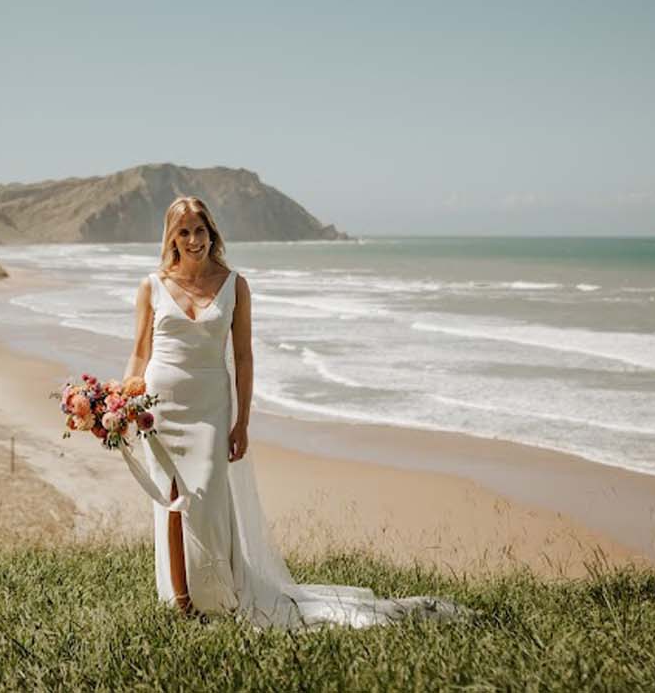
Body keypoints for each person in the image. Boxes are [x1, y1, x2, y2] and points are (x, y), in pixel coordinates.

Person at [121, 195, 468, 629]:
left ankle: (218, 596)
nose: (194, 240)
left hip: (210, 408)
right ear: (172, 237)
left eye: (201, 230)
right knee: (170, 503)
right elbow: (139, 353)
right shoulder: (152, 285)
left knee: (207, 500)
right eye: (184, 231)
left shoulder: (234, 285)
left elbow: (244, 359)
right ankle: (181, 600)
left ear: (213, 232)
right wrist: (121, 401)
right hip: (160, 409)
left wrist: (241, 422)